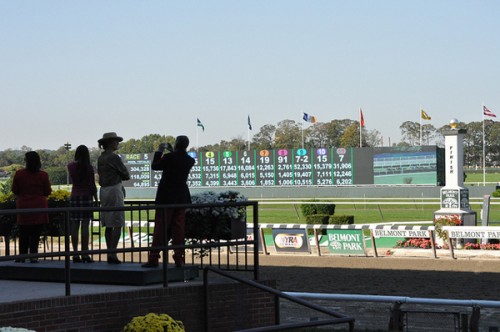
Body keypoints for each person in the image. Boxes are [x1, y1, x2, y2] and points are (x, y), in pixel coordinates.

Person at [142, 135, 195, 268]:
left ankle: (154, 258)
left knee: (160, 229)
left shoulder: (169, 158)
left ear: (176, 144)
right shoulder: (189, 160)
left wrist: (159, 151)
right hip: (181, 198)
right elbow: (178, 160)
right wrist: (173, 151)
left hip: (166, 198)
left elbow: (155, 166)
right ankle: (179, 259)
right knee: (179, 230)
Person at [11, 151, 52, 263]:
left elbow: (15, 190)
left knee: (23, 233)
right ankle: (33, 256)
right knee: (35, 233)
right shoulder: (43, 175)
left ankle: (22, 256)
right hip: (39, 207)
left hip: (23, 207)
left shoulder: (19, 174)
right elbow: (47, 191)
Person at [97, 132, 130, 264]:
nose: (118, 143)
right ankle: (113, 253)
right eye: (116, 141)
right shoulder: (114, 157)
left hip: (103, 191)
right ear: (111, 143)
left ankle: (110, 253)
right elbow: (125, 174)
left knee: (108, 225)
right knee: (117, 223)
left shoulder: (101, 158)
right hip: (114, 190)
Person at [67, 145, 98, 263]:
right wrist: (95, 199)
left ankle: (75, 254)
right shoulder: (89, 168)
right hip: (86, 197)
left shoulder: (70, 166)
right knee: (85, 226)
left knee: (75, 226)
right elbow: (92, 185)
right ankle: (85, 254)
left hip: (74, 196)